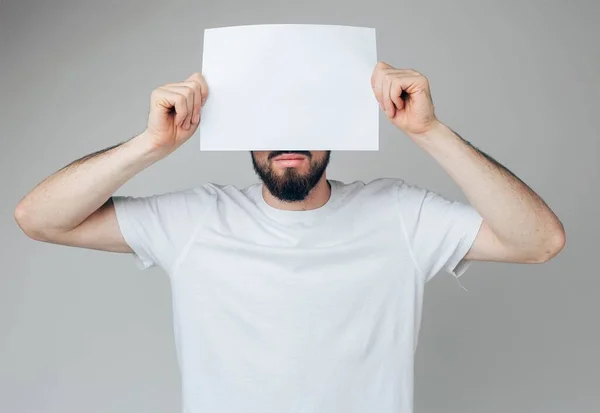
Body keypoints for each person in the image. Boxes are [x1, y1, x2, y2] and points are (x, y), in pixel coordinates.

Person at [14, 61, 565, 413]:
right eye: (269, 121)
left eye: (307, 117)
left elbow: (538, 241)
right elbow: (39, 218)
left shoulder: (400, 214)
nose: (288, 139)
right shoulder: (195, 220)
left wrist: (429, 130)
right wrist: (151, 145)